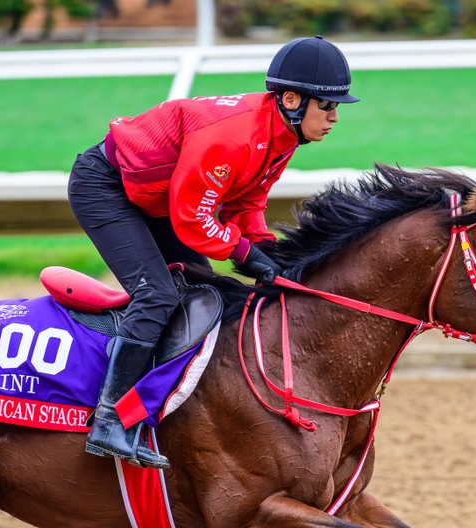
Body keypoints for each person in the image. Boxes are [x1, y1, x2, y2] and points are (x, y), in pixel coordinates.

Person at [68, 35, 359, 470]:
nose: (335, 117)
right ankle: (108, 421)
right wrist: (243, 253)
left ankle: (169, 405)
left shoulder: (282, 134)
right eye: (328, 105)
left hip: (159, 199)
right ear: (292, 100)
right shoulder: (233, 137)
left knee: (205, 296)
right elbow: (193, 220)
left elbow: (247, 202)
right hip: (107, 188)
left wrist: (265, 249)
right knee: (158, 295)